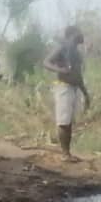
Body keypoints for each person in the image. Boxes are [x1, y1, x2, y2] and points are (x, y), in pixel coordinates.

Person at [43, 25, 89, 161]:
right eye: (79, 32)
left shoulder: (76, 52)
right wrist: (61, 70)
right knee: (64, 122)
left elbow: (78, 75)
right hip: (64, 87)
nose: (82, 35)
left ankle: (67, 153)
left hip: (74, 88)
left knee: (68, 122)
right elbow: (46, 62)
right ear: (72, 34)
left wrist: (85, 93)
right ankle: (65, 154)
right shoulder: (62, 47)